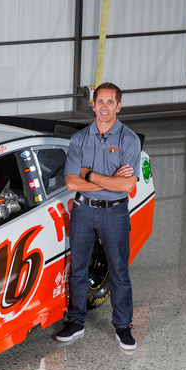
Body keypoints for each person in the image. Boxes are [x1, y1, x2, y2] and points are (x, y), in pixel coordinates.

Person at [55, 82, 140, 350]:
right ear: (92, 105)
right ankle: (76, 321)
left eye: (109, 102)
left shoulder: (129, 140)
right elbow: (71, 183)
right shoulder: (79, 139)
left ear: (119, 105)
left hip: (114, 213)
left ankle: (123, 325)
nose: (104, 107)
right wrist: (109, 180)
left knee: (118, 271)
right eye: (99, 102)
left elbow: (127, 185)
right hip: (82, 210)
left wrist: (89, 175)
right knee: (78, 269)